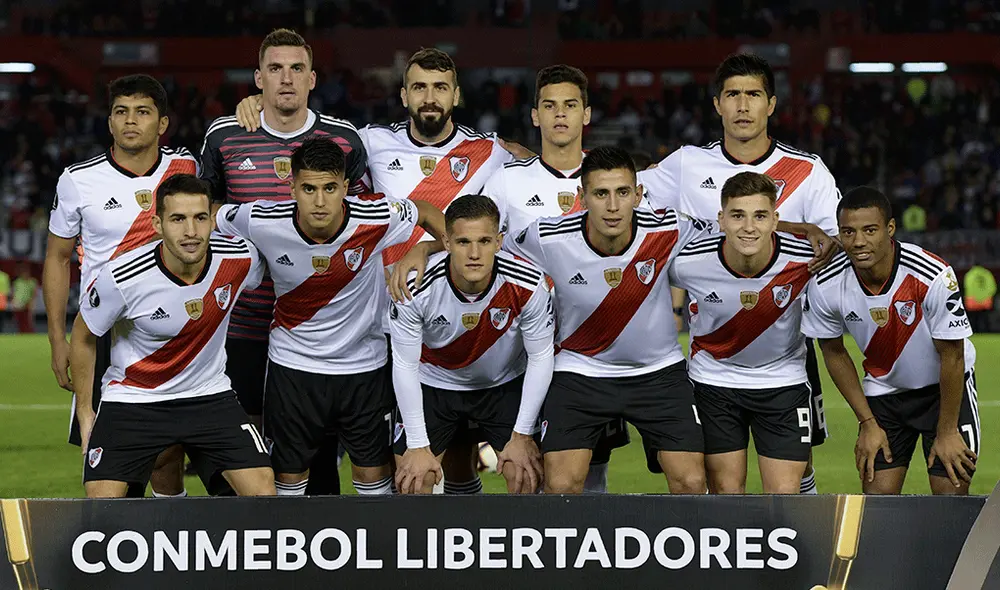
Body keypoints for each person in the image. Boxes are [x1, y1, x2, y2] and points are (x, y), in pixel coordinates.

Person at [637, 53, 840, 495]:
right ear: (717, 105)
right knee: (723, 489)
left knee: (796, 476)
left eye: (753, 95)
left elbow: (832, 244)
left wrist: (793, 229)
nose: (743, 106)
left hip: (785, 345)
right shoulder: (686, 165)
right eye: (733, 95)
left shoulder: (807, 171)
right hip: (713, 351)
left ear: (771, 104)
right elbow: (619, 195)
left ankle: (798, 547)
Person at [215, 137, 446, 496]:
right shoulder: (259, 218)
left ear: (345, 187)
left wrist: (424, 247)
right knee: (287, 484)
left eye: (329, 188)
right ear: (291, 186)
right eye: (308, 188)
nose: (319, 201)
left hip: (363, 367)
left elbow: (426, 211)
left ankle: (375, 551)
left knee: (374, 482)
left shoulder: (377, 216)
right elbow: (209, 216)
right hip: (293, 367)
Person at [201, 28, 369, 495]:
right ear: (258, 78)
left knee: (315, 462)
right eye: (275, 69)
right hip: (243, 324)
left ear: (313, 78)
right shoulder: (225, 135)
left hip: (321, 331)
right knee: (241, 450)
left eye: (297, 69)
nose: (286, 79)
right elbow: (202, 213)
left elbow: (367, 226)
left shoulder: (345, 140)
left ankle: (318, 561)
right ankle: (236, 559)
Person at [504, 146, 710, 494]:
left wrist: (804, 231)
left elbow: (735, 237)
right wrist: (426, 248)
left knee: (691, 481)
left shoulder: (671, 228)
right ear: (581, 197)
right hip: (580, 370)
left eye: (622, 193)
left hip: (657, 371)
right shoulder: (547, 237)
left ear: (639, 195)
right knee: (562, 485)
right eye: (601, 194)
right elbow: (486, 252)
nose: (613, 206)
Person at [69, 174, 275, 498]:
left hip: (208, 395)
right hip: (136, 399)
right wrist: (85, 412)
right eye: (178, 219)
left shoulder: (240, 259)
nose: (191, 232)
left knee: (264, 493)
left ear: (212, 220)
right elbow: (83, 336)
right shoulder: (122, 277)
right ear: (157, 224)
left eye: (200, 218)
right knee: (102, 506)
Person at [43, 74, 198, 499]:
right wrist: (58, 339)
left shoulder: (186, 168)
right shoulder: (78, 180)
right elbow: (57, 258)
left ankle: (172, 548)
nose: (131, 121)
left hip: (174, 333)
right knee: (109, 468)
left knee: (169, 458)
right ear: (109, 122)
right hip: (104, 336)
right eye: (121, 112)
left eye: (143, 112)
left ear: (162, 123)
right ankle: (117, 551)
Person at [802, 187, 979, 495]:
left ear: (890, 228)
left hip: (944, 391)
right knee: (876, 501)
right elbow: (832, 351)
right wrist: (866, 423)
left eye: (869, 230)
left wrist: (947, 430)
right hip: (884, 393)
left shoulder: (931, 275)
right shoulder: (826, 284)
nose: (858, 242)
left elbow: (953, 356)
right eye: (848, 232)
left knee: (951, 497)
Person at [389, 194, 553, 495]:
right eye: (464, 242)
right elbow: (404, 364)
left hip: (502, 385)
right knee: (414, 483)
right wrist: (416, 444)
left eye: (485, 241)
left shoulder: (529, 284)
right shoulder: (414, 288)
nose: (474, 253)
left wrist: (522, 435)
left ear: (499, 241)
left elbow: (541, 357)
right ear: (447, 242)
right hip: (433, 386)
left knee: (525, 476)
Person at [670, 172, 815, 493]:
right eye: (737, 215)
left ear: (776, 220)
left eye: (760, 216)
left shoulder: (807, 259)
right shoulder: (687, 262)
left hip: (783, 383)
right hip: (714, 383)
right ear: (720, 220)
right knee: (726, 496)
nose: (749, 227)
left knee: (784, 499)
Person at [11, 264, 38, 333]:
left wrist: (30, 301)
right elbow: (14, 292)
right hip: (18, 303)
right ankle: (21, 332)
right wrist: (14, 301)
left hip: (28, 302)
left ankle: (30, 332)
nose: (25, 274)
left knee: (28, 320)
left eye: (26, 272)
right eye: (23, 273)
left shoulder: (32, 282)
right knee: (19, 319)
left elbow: (34, 293)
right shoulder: (17, 282)